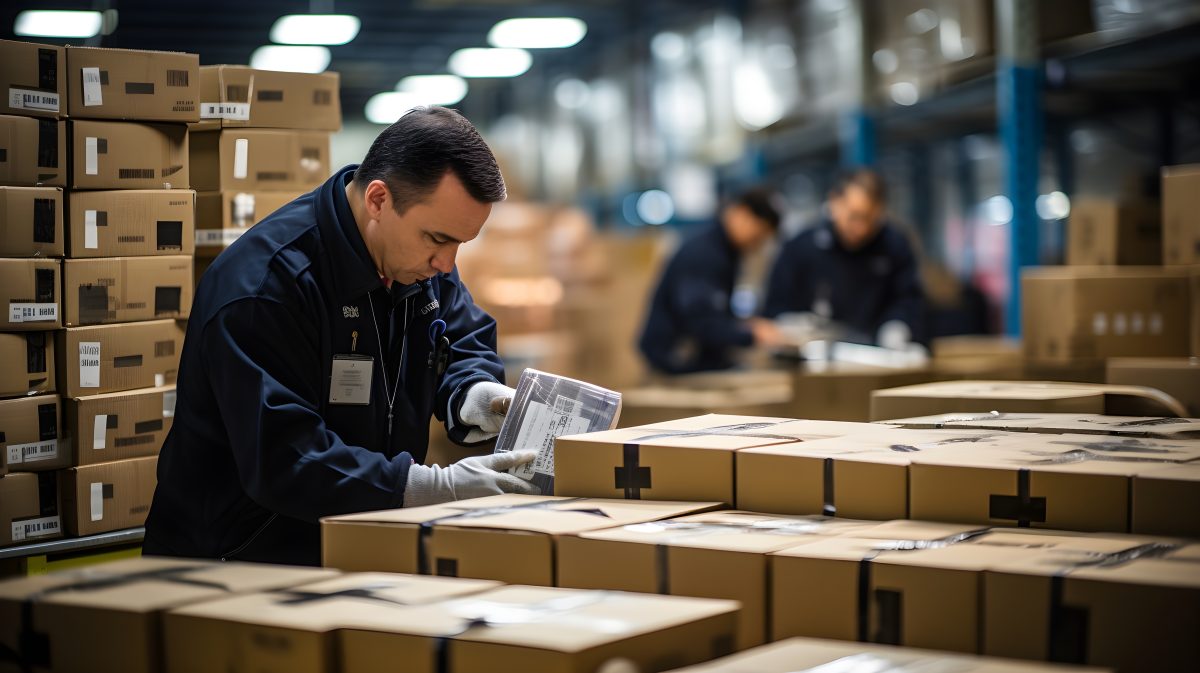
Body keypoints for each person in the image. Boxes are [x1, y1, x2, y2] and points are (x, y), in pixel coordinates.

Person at [144, 107, 538, 566]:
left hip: (353, 542)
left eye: (460, 245)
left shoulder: (415, 264)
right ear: (377, 200)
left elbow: (459, 332)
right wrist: (431, 488)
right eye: (438, 239)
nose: (447, 264)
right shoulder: (265, 289)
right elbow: (285, 458)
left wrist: (471, 392)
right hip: (237, 559)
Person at [763, 168, 925, 349]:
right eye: (854, 217)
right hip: (815, 360)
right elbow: (775, 306)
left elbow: (909, 298)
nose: (861, 229)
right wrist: (789, 327)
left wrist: (898, 326)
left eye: (870, 220)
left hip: (878, 355)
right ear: (834, 202)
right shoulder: (800, 248)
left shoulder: (895, 245)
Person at [638, 188, 788, 374]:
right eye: (759, 234)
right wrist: (750, 334)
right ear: (741, 214)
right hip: (676, 362)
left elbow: (715, 313)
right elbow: (701, 323)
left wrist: (748, 325)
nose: (758, 244)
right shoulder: (704, 255)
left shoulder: (726, 251)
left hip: (695, 360)